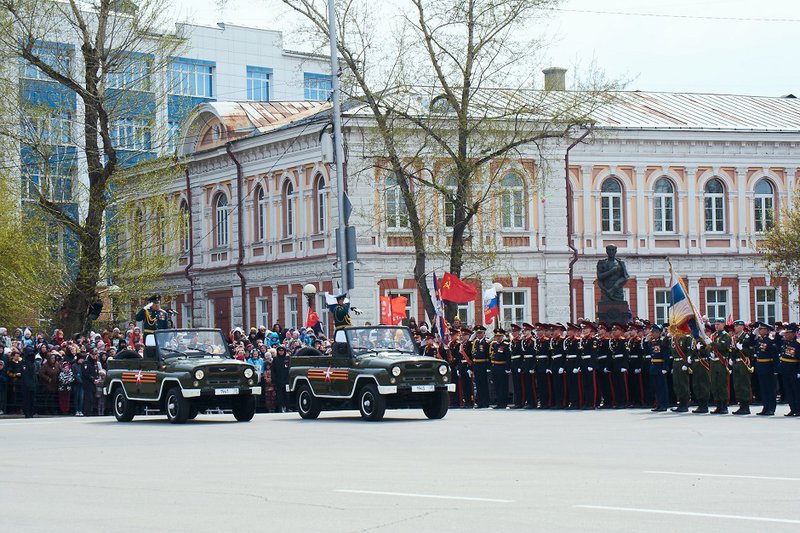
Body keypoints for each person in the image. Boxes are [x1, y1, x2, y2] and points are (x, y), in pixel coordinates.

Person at [753, 322, 780, 416]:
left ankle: (771, 408)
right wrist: (753, 333)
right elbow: (751, 343)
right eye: (759, 329)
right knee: (763, 389)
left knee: (770, 389)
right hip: (760, 367)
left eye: (762, 329)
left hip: (768, 367)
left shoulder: (770, 341)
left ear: (767, 330)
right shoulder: (760, 340)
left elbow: (775, 357)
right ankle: (765, 407)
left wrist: (775, 370)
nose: (759, 331)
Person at [708, 319, 732, 414]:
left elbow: (723, 347)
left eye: (718, 324)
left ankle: (724, 405)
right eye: (715, 324)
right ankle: (718, 405)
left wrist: (711, 343)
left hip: (721, 362)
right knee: (714, 384)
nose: (716, 326)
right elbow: (709, 348)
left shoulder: (725, 335)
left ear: (723, 324)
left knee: (722, 384)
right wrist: (710, 353)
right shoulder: (713, 335)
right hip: (713, 362)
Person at [730, 320, 754, 415]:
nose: (735, 327)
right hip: (737, 363)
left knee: (744, 384)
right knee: (737, 384)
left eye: (736, 326)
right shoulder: (734, 338)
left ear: (741, 327)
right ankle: (741, 405)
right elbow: (732, 350)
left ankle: (746, 406)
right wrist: (732, 358)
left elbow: (750, 352)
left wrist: (742, 349)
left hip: (744, 363)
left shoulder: (746, 337)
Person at [778, 324, 800, 416]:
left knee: (796, 391)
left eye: (788, 333)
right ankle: (793, 409)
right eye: (785, 333)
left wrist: (799, 371)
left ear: (793, 334)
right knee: (788, 390)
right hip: (785, 370)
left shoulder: (797, 344)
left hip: (794, 370)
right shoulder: (784, 343)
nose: (786, 335)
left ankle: (798, 409)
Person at [648, 324, 670, 412]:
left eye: (654, 332)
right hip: (654, 366)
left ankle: (664, 404)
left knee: (662, 387)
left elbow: (666, 356)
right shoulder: (653, 342)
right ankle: (659, 404)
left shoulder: (662, 342)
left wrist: (665, 367)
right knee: (656, 387)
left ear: (659, 333)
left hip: (660, 366)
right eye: (652, 331)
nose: (652, 333)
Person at [670, 333, 693, 412]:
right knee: (677, 384)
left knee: (683, 383)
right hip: (675, 362)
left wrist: (687, 364)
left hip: (682, 362)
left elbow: (689, 352)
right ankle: (680, 402)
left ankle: (685, 404)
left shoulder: (686, 338)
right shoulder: (674, 338)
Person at [470, 325, 491, 408]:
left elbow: (488, 356)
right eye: (477, 333)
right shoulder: (475, 342)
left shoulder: (486, 342)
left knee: (484, 385)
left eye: (480, 333)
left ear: (484, 333)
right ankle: (480, 402)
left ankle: (485, 402)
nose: (478, 334)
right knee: (478, 384)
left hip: (483, 365)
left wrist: (488, 367)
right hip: (476, 365)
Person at [489, 328, 510, 409]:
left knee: (502, 386)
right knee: (497, 386)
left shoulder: (505, 345)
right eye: (496, 336)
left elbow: (508, 358)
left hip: (502, 368)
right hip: (495, 368)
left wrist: (507, 368)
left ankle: (503, 403)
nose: (498, 338)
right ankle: (499, 402)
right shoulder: (494, 345)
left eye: (500, 336)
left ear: (503, 336)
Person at [271, 345, 290, 413]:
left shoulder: (287, 359)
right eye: (279, 351)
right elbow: (273, 370)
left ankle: (287, 408)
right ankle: (279, 408)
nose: (281, 352)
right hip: (278, 380)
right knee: (279, 396)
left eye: (282, 351)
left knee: (287, 395)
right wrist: (273, 380)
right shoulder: (275, 359)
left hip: (286, 380)